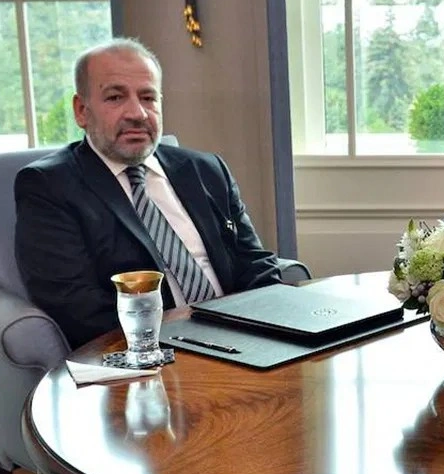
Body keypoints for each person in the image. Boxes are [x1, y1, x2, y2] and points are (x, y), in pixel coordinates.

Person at [15, 38, 282, 350]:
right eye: (115, 97)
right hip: (147, 352)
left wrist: (279, 324)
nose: (137, 113)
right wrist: (185, 341)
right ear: (81, 110)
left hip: (243, 340)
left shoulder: (206, 169)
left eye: (148, 97)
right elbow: (75, 305)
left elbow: (253, 262)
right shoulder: (50, 186)